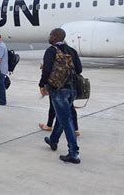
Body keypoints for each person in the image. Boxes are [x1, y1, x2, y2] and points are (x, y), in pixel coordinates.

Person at [40, 28, 83, 164]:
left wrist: (42, 84)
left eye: (51, 34)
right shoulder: (72, 50)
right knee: (62, 116)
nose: (49, 37)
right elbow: (79, 69)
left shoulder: (51, 50)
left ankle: (74, 153)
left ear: (55, 36)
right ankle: (53, 140)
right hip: (72, 90)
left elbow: (46, 70)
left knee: (66, 120)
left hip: (58, 90)